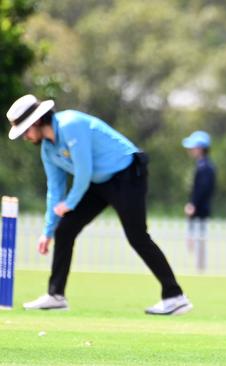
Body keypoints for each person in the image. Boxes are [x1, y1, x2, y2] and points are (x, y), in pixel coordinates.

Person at [5, 94, 192, 315]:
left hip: (127, 173)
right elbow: (55, 190)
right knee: (64, 230)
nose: (25, 137)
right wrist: (47, 232)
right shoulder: (47, 149)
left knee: (137, 236)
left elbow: (83, 171)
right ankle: (56, 295)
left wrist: (70, 203)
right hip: (98, 182)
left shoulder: (70, 124)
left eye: (25, 130)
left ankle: (175, 296)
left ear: (36, 122)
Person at [182, 130, 216, 273]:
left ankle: (200, 268)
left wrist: (193, 205)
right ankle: (198, 267)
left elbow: (203, 189)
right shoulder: (203, 165)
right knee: (196, 240)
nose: (190, 150)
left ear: (200, 148)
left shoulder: (205, 167)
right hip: (200, 208)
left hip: (201, 209)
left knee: (199, 240)